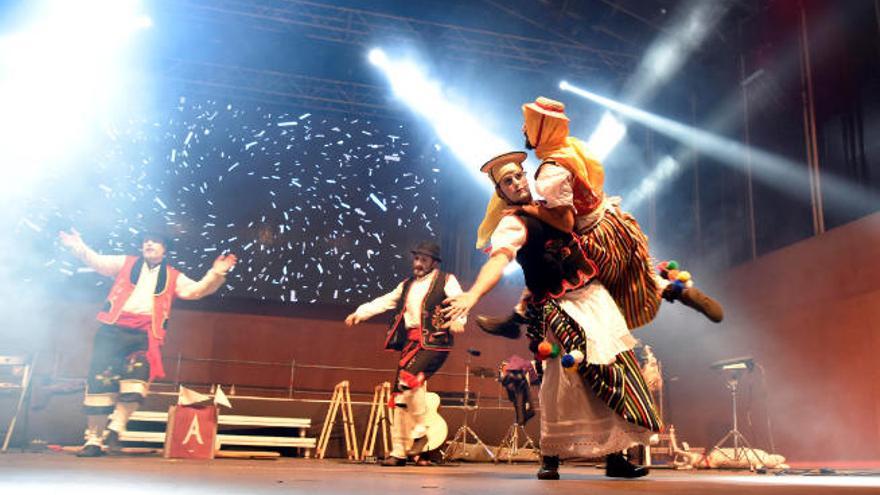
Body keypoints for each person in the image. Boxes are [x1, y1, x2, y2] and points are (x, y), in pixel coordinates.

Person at [444, 152, 661, 480]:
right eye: (507, 182)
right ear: (501, 192)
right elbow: (498, 260)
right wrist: (473, 294)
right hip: (558, 307)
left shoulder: (553, 205)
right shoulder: (513, 222)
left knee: (613, 368)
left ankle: (615, 456)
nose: (516, 184)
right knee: (563, 378)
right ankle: (551, 456)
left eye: (518, 176)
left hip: (593, 298)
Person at [478, 97, 722, 338]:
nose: (523, 129)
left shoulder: (549, 171)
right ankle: (674, 290)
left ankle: (520, 318)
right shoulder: (571, 148)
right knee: (639, 271)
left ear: (541, 130)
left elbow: (566, 223)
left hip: (596, 238)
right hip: (615, 220)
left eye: (528, 124)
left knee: (591, 291)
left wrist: (530, 210)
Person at [58, 228, 237, 457]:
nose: (149, 244)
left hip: (144, 336)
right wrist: (77, 246)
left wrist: (216, 273)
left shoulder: (173, 276)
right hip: (112, 331)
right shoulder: (125, 263)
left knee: (136, 383)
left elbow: (195, 291)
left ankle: (116, 427)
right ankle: (93, 440)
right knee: (100, 386)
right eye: (146, 241)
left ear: (165, 250)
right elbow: (97, 261)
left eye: (155, 241)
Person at [345, 241, 465, 466]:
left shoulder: (446, 280)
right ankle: (400, 451)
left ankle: (420, 432)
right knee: (401, 396)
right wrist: (360, 313)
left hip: (434, 343)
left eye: (424, 260)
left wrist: (458, 320)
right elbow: (384, 301)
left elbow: (458, 301)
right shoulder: (406, 285)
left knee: (407, 381)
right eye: (417, 259)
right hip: (410, 344)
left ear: (433, 263)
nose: (419, 263)